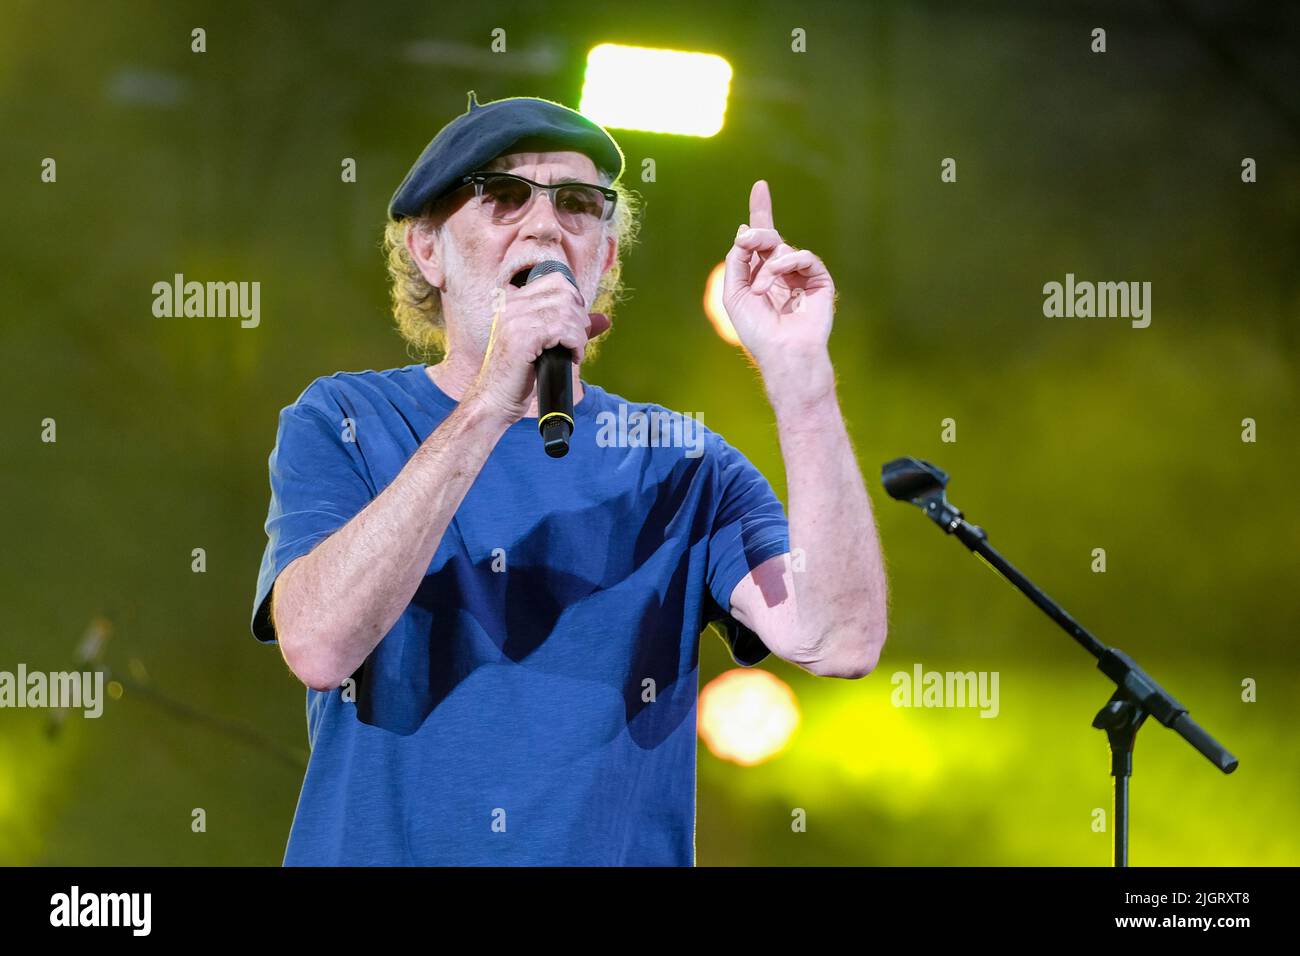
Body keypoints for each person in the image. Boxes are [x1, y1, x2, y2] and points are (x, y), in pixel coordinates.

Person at [250, 91, 888, 865]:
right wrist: (492, 399)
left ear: (605, 260)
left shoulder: (682, 462)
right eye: (504, 196)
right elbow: (318, 645)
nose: (547, 225)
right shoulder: (345, 419)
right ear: (427, 250)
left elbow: (841, 637)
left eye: (580, 205)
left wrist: (802, 380)